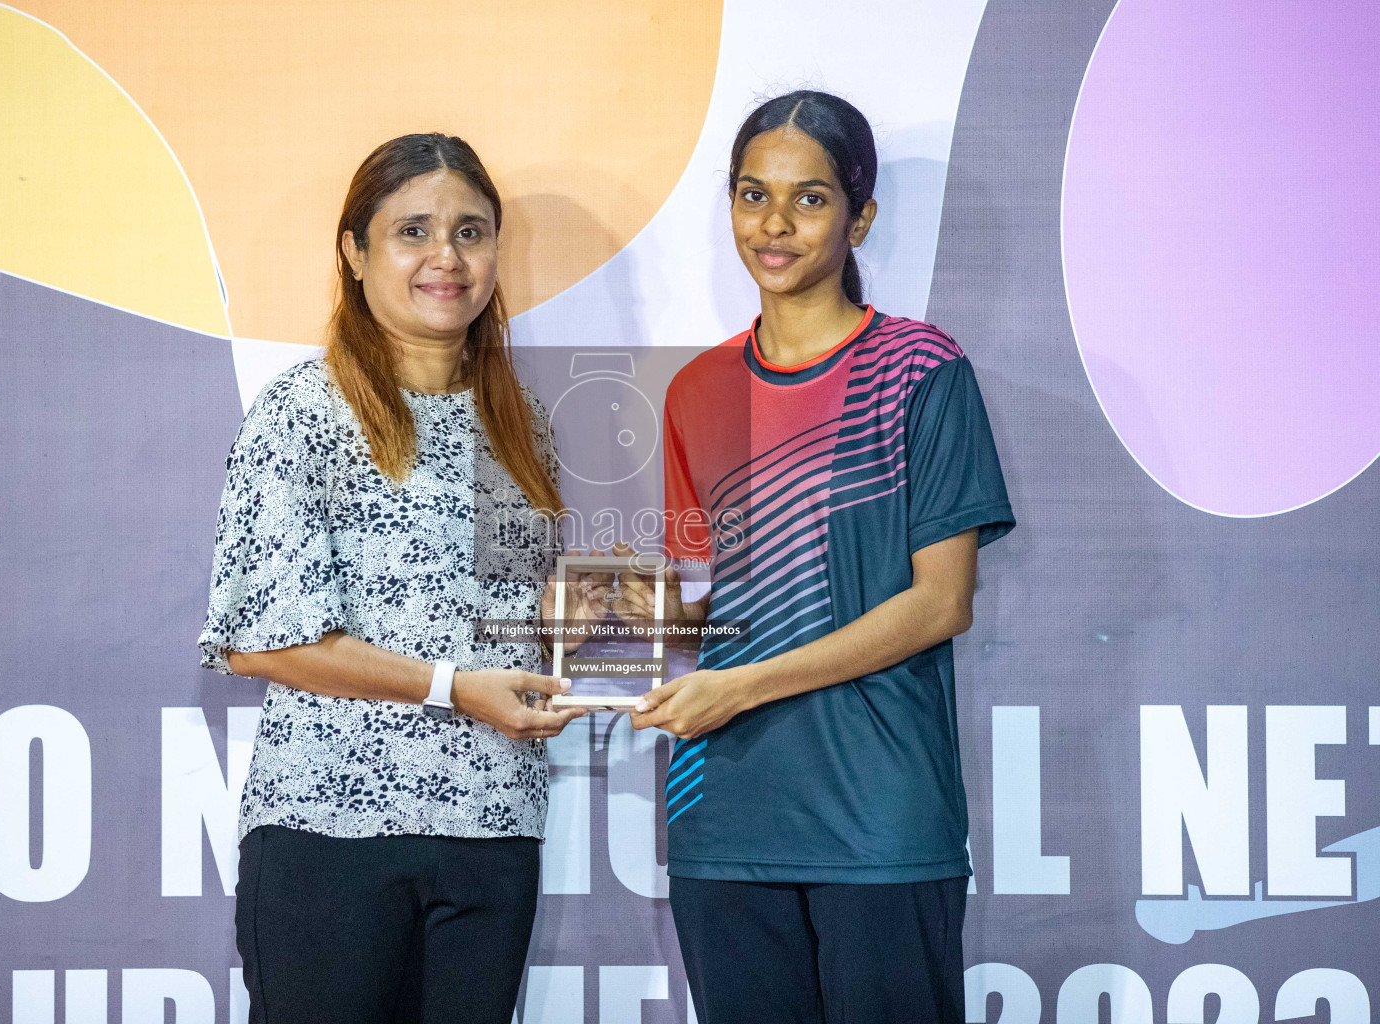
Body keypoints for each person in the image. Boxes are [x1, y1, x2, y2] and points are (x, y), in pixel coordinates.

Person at [625, 91, 1016, 1023]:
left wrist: (744, 685)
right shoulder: (695, 388)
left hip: (879, 819)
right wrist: (583, 662)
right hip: (721, 820)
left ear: (860, 214)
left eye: (809, 199)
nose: (775, 224)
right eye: (753, 195)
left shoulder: (920, 370)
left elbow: (940, 602)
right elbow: (690, 596)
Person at [198, 133, 605, 1023]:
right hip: (329, 835)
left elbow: (508, 613)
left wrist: (613, 627)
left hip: (491, 827)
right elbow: (268, 639)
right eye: (412, 231)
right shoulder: (304, 410)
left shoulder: (520, 423)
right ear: (354, 251)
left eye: (471, 231)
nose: (445, 258)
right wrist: (458, 688)